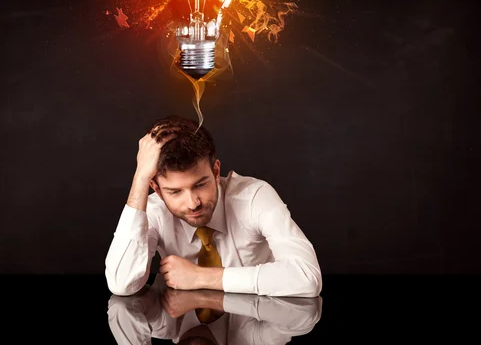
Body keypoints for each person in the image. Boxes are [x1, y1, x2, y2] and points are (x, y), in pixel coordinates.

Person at [105, 115, 322, 297]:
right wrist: (140, 179)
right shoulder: (153, 211)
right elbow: (122, 284)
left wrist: (200, 276)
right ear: (157, 188)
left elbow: (307, 277)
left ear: (216, 172)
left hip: (258, 324)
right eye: (175, 191)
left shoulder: (254, 197)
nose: (192, 203)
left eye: (200, 184)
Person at [107, 273, 322, 345]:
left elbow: (121, 308)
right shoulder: (254, 341)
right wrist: (217, 299)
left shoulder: (159, 321)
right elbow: (304, 317)